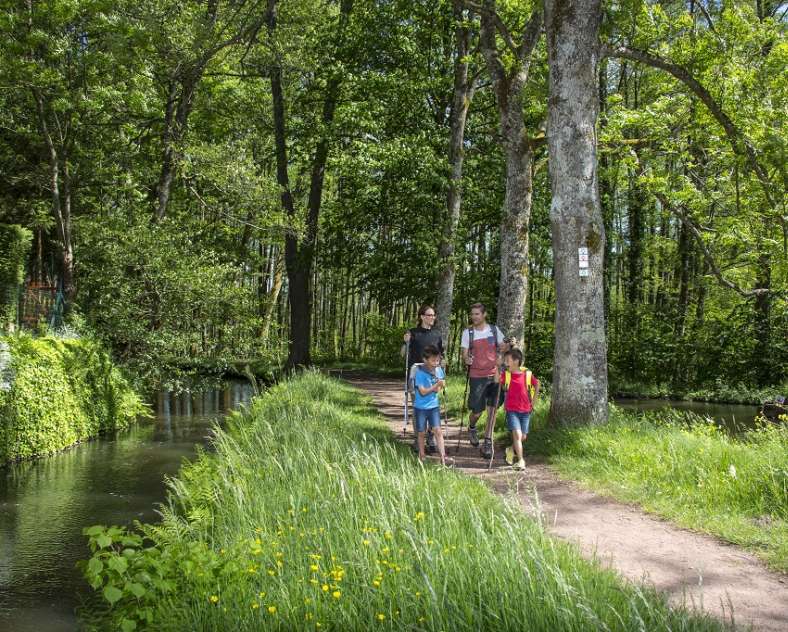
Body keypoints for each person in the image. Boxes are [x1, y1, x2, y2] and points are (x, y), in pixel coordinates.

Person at [460, 303, 507, 459]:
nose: (473, 317)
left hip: (494, 374)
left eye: (476, 314)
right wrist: (467, 359)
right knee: (477, 411)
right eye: (472, 314)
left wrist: (507, 345)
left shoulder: (494, 330)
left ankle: (488, 441)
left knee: (492, 409)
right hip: (476, 376)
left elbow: (503, 347)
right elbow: (464, 354)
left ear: (484, 314)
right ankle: (472, 426)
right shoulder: (468, 333)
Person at [403, 304, 444, 453]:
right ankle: (417, 438)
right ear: (422, 317)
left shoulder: (437, 334)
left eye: (433, 315)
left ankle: (431, 438)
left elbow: (441, 355)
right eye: (429, 315)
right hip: (417, 373)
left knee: (432, 407)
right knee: (419, 408)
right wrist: (406, 342)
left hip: (432, 376)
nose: (432, 318)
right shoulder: (413, 333)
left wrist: (442, 370)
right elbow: (403, 353)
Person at [500, 348, 540, 471]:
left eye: (508, 360)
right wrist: (497, 368)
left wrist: (533, 401)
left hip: (526, 409)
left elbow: (537, 383)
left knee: (523, 437)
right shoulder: (506, 375)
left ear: (516, 361)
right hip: (512, 409)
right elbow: (497, 381)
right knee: (517, 435)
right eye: (505, 360)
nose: (505, 363)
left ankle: (511, 449)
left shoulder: (527, 374)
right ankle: (521, 460)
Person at [412, 345, 452, 466]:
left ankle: (443, 456)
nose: (436, 363)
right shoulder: (419, 373)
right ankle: (422, 455)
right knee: (421, 432)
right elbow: (422, 392)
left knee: (438, 431)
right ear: (425, 360)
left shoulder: (439, 370)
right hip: (420, 408)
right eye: (433, 360)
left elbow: (438, 389)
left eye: (438, 360)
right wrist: (436, 386)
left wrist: (441, 386)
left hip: (434, 406)